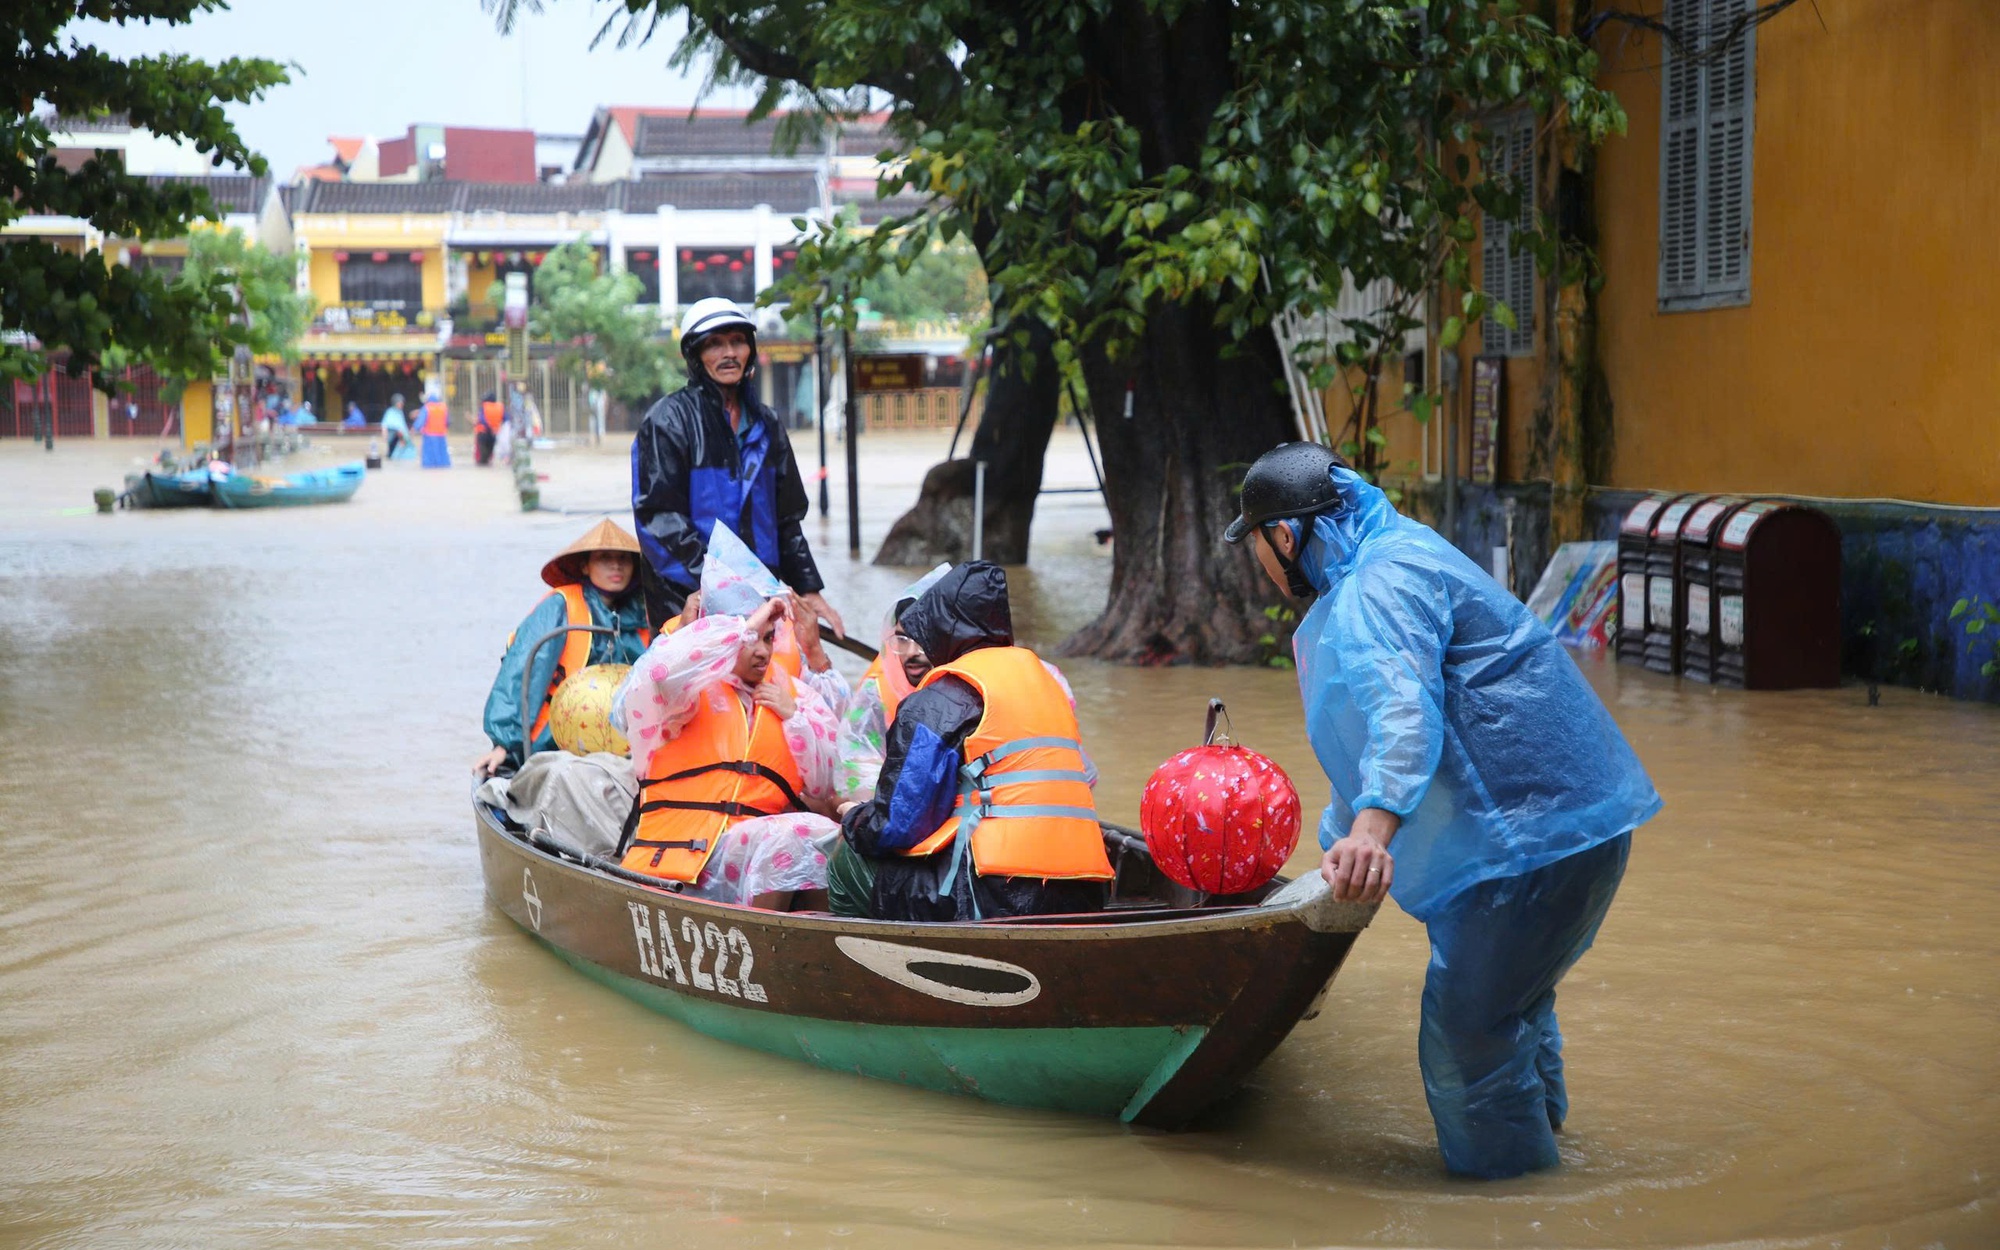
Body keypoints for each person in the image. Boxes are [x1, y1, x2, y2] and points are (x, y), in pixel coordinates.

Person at [1224, 442, 1663, 1180]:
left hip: (1520, 851)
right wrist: (1333, 855)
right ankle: (1548, 1169)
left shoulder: (1375, 587)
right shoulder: (1403, 553)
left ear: (1287, 536)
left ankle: (1511, 1209)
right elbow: (1362, 736)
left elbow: (1403, 714)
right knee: (1514, 1013)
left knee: (1468, 1037)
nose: (1261, 566)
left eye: (1258, 545)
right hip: (1571, 833)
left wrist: (1371, 829)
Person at [829, 561, 1113, 922]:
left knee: (847, 862)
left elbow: (897, 826)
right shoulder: (1047, 683)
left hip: (994, 893)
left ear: (938, 628)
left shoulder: (940, 697)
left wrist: (855, 818)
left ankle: (864, 970)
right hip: (1087, 889)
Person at [612, 590, 844, 910]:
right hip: (677, 858)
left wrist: (795, 718)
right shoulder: (683, 695)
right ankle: (762, 936)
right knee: (795, 833)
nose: (762, 652)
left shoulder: (796, 697)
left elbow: (825, 781)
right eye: (752, 639)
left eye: (768, 638)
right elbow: (659, 672)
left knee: (831, 839)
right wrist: (738, 630)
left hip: (749, 859)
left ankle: (810, 942)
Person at [630, 297, 843, 637]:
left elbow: (787, 521)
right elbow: (659, 521)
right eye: (714, 344)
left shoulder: (767, 424)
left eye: (737, 341)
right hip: (687, 602)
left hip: (761, 603)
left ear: (750, 350)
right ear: (695, 355)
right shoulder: (668, 421)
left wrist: (808, 589)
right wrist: (720, 586)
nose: (728, 353)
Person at [475, 520, 653, 778]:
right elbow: (522, 672)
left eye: (623, 559)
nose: (616, 566)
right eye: (605, 558)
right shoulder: (559, 607)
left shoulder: (645, 614)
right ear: (585, 565)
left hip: (626, 744)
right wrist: (505, 744)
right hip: (554, 742)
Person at [834, 564, 951, 801]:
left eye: (921, 639)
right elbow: (851, 769)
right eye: (902, 639)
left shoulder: (966, 691)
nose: (911, 652)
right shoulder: (875, 694)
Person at [418, 384, 451, 469]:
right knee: (442, 451)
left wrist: (415, 428)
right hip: (441, 434)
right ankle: (443, 465)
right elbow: (448, 421)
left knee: (429, 453)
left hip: (429, 434)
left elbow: (420, 421)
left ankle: (429, 466)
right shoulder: (443, 407)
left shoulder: (427, 407)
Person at [381, 393, 412, 460]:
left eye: (402, 403)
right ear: (395, 403)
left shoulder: (400, 412)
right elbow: (385, 424)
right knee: (392, 453)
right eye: (400, 403)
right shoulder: (390, 412)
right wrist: (384, 435)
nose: (401, 405)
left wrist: (407, 435)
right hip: (394, 436)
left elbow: (402, 425)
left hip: (401, 437)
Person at [474, 392, 502, 466]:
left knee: (483, 446)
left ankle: (483, 460)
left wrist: (488, 426)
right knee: (490, 447)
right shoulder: (500, 407)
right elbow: (505, 418)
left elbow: (481, 419)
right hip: (494, 432)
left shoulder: (484, 406)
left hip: (483, 431)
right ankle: (487, 459)